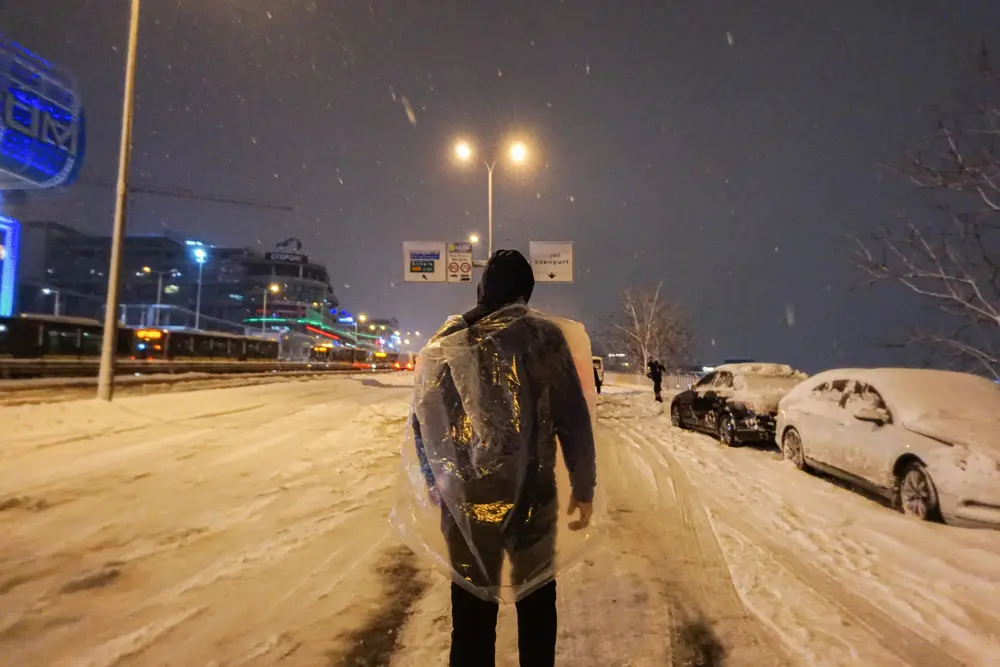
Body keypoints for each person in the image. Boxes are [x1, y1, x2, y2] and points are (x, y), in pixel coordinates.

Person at [410, 249, 597, 667]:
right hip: (533, 495)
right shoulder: (545, 337)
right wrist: (583, 487)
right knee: (536, 608)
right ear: (526, 293)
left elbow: (425, 420)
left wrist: (433, 478)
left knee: (472, 615)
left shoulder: (450, 338)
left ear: (483, 287)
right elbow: (573, 418)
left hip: (466, 498)